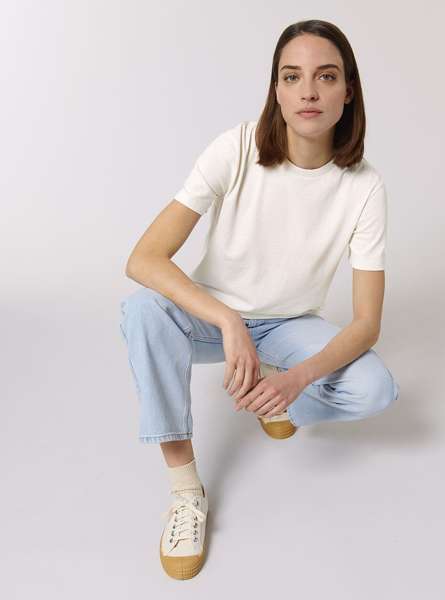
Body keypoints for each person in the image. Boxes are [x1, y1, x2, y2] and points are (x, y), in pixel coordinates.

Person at [119, 19, 400, 580]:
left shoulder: (364, 186)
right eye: (292, 77)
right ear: (277, 89)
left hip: (290, 324)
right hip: (211, 317)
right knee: (143, 310)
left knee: (376, 388)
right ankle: (185, 492)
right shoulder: (238, 147)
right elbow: (144, 259)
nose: (309, 92)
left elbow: (366, 324)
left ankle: (279, 400)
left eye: (326, 76)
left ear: (348, 90)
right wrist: (227, 320)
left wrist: (295, 381)